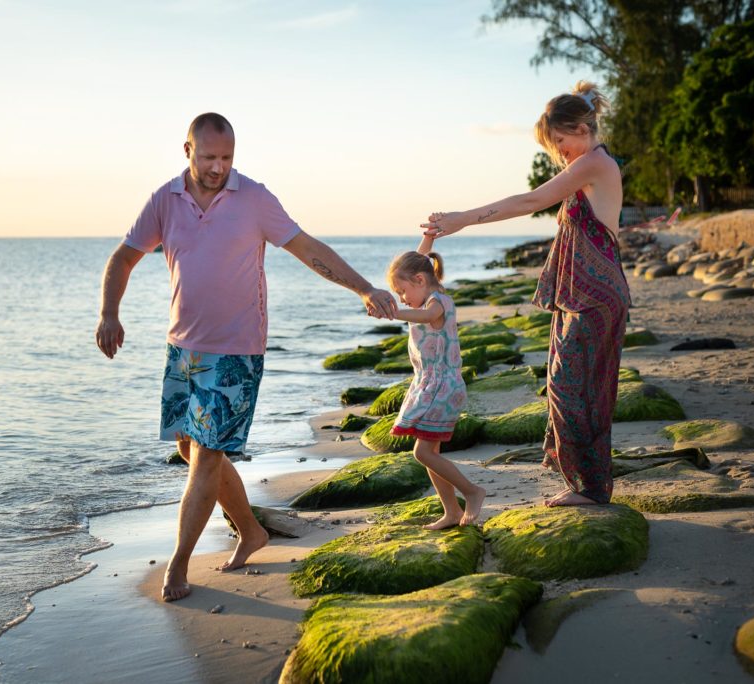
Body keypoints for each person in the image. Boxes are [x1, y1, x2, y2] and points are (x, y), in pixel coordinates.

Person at [95, 112, 398, 602]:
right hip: (184, 348)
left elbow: (306, 247)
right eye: (210, 156)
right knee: (189, 449)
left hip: (237, 349)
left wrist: (363, 287)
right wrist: (110, 313)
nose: (219, 167)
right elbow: (124, 256)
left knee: (207, 457)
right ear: (187, 150)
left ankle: (178, 565)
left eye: (227, 157)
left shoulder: (254, 197)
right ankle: (252, 531)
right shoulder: (165, 199)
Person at [422, 82, 630, 507]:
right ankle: (587, 484)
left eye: (560, 141)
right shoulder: (588, 164)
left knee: (572, 387)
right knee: (571, 385)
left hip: (596, 295)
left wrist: (463, 218)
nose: (559, 151)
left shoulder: (595, 163)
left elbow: (530, 200)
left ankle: (590, 488)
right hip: (580, 294)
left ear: (581, 126)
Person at [386, 235, 486, 527]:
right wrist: (428, 238)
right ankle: (452, 511)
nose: (401, 299)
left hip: (441, 387)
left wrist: (393, 312)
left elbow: (425, 315)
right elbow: (416, 260)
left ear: (419, 280)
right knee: (431, 453)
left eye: (402, 292)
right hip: (429, 385)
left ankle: (472, 491)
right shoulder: (424, 284)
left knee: (423, 452)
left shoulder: (437, 302)